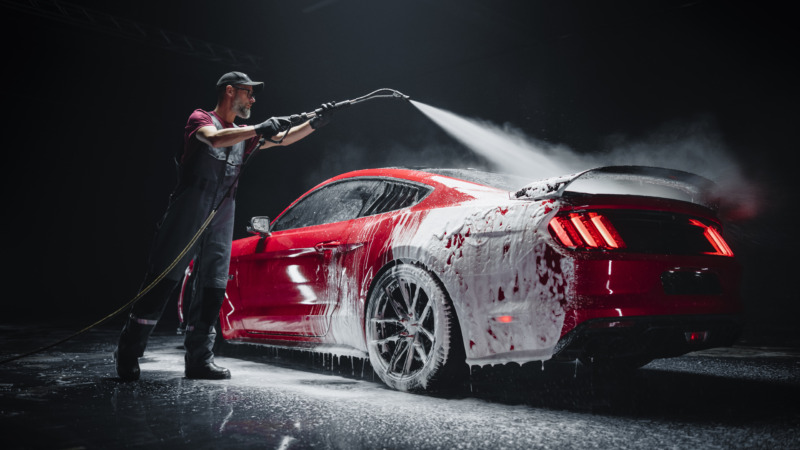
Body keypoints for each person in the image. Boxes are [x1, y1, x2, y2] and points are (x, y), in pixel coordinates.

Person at [114, 71, 333, 381]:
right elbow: (214, 139)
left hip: (224, 210)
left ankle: (199, 360)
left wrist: (314, 123)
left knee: (213, 286)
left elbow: (282, 140)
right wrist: (258, 128)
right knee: (162, 281)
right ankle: (128, 353)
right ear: (230, 91)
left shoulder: (244, 133)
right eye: (248, 93)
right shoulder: (200, 118)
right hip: (190, 206)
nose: (253, 99)